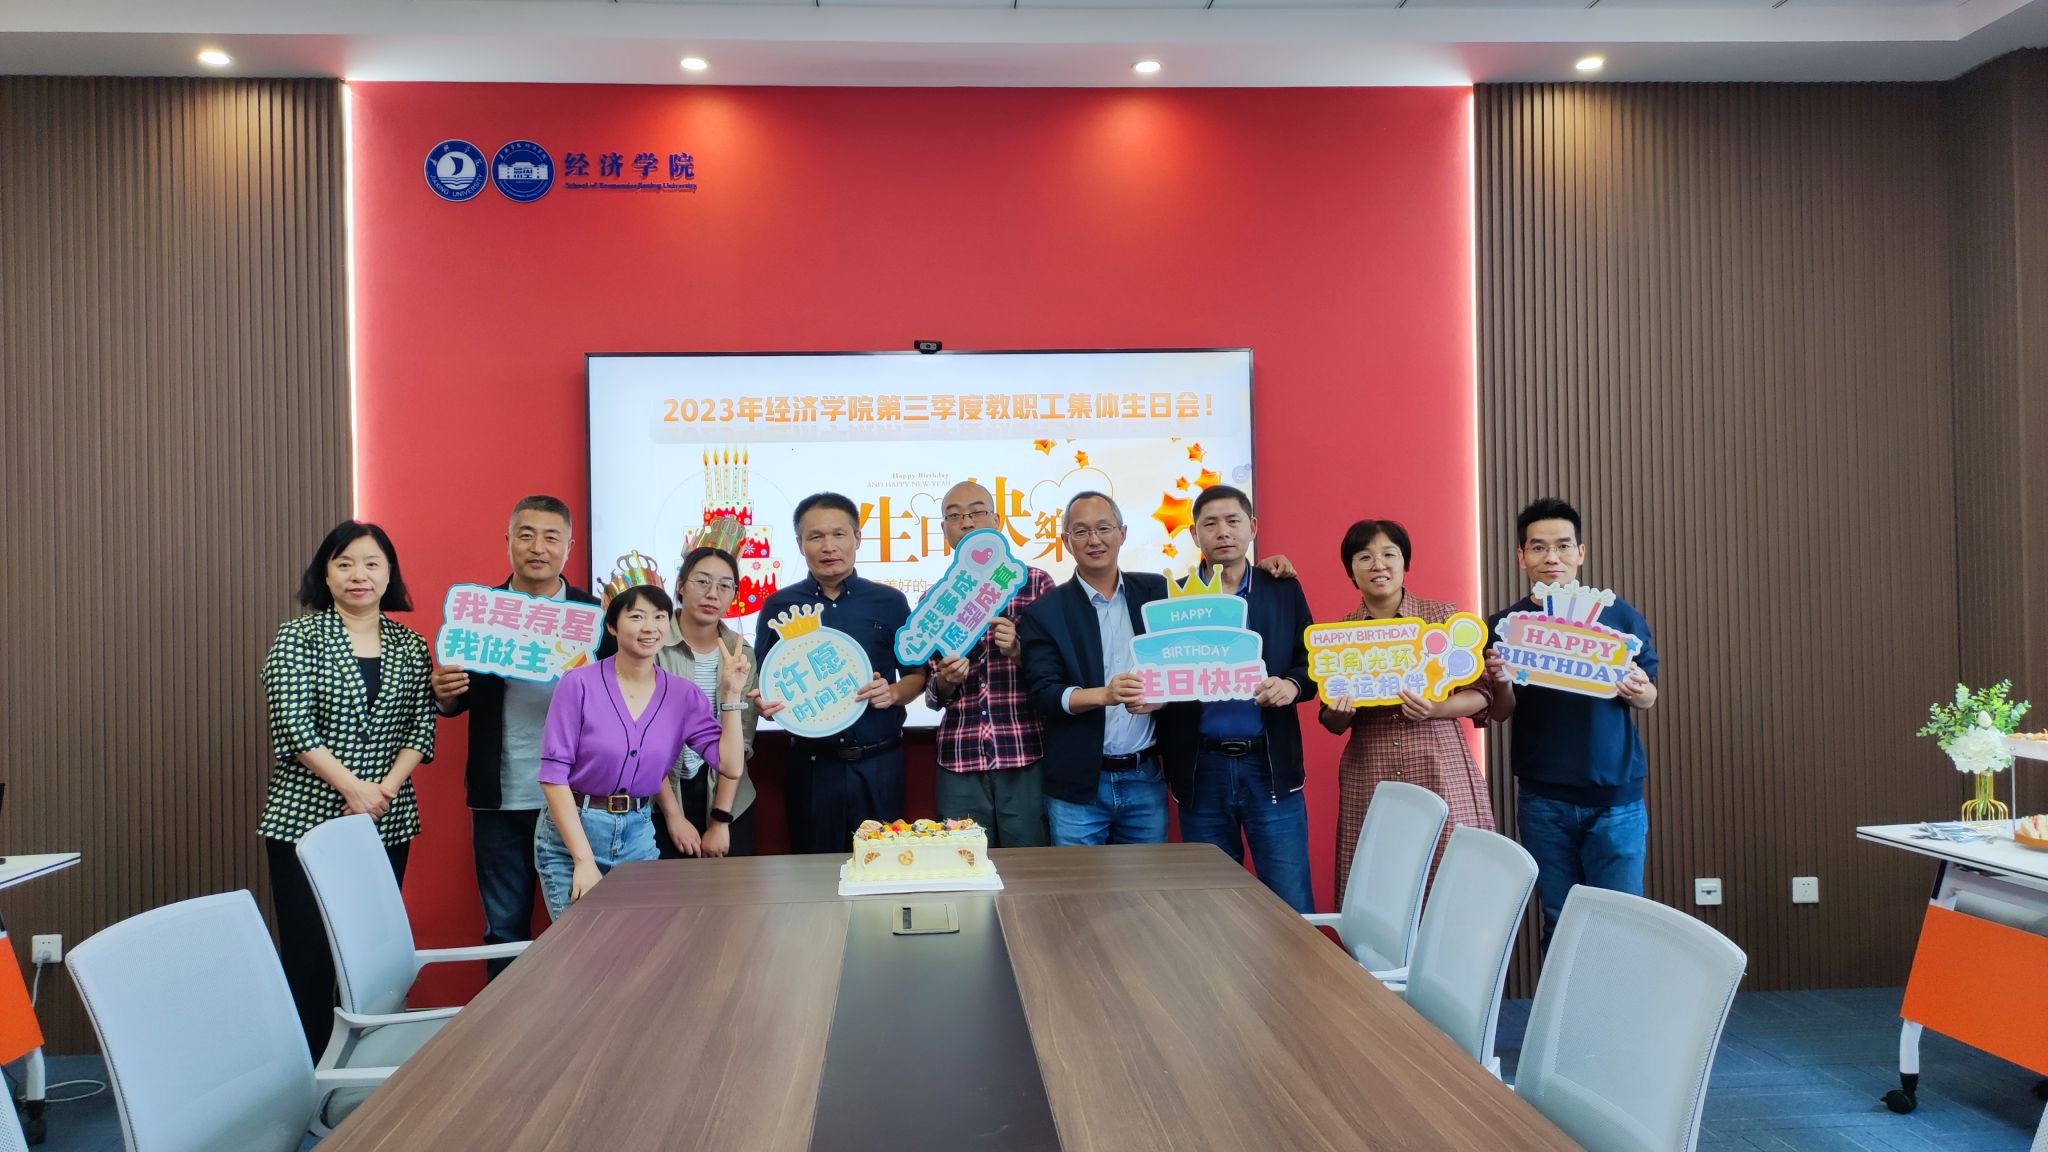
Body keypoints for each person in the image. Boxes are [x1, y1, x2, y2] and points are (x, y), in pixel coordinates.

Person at [259, 521, 436, 1055]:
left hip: (387, 818)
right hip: (305, 819)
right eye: (345, 564)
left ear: (389, 574)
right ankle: (311, 1071)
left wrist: (382, 791)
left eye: (372, 564)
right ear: (326, 574)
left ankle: (366, 1066)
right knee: (309, 951)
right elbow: (293, 726)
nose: (359, 575)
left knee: (370, 951)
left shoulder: (411, 644)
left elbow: (421, 729)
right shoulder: (298, 637)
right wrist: (353, 788)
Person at [429, 495, 612, 980]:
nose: (538, 547)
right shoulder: (480, 614)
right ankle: (505, 1027)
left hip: (579, 799)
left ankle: (580, 1021)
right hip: (502, 798)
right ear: (508, 541)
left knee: (586, 927)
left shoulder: (597, 617)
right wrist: (443, 693)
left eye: (551, 537)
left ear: (570, 547)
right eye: (526, 535)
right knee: (504, 929)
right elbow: (455, 700)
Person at [1478, 497, 1659, 947]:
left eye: (1562, 546)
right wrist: (1501, 681)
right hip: (1544, 799)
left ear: (1581, 552)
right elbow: (1499, 711)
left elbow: (1649, 696)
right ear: (1521, 556)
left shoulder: (1619, 618)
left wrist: (1639, 690)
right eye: (1538, 547)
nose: (1551, 557)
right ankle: (1565, 1000)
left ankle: (1615, 999)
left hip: (1615, 798)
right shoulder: (1504, 626)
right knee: (1560, 922)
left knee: (1620, 924)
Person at [535, 584, 748, 917]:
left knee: (641, 940)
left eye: (659, 617)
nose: (650, 627)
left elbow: (731, 766)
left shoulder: (684, 695)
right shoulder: (578, 684)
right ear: (612, 626)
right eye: (636, 617)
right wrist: (583, 860)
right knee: (580, 943)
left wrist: (732, 695)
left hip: (638, 833)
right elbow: (553, 777)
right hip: (574, 835)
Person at [1319, 519, 1495, 907]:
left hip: (1438, 762)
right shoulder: (1340, 635)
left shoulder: (1441, 618)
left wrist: (1437, 708)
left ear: (1405, 562)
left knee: (1453, 881)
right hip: (1371, 768)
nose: (1378, 564)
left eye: (1389, 554)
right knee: (1379, 885)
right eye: (1364, 557)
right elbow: (1330, 721)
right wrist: (1340, 711)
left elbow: (1483, 693)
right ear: (1351, 570)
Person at [1162, 485, 1318, 912]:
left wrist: (1293, 686)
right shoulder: (1174, 599)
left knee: (1290, 902)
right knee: (1213, 906)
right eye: (1210, 524)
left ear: (1252, 527)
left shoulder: (1281, 589)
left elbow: (1311, 661)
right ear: (1194, 535)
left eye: (1233, 521)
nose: (1223, 532)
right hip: (1202, 768)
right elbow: (1158, 672)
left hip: (1269, 766)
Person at [752, 493, 926, 854]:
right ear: (800, 544)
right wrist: (764, 704)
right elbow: (763, 681)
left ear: (857, 538)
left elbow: (917, 675)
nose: (828, 546)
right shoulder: (779, 606)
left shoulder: (890, 602)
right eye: (816, 537)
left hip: (880, 763)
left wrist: (894, 693)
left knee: (883, 867)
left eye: (839, 534)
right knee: (814, 870)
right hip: (812, 767)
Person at [1019, 492, 1179, 845]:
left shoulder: (1159, 593)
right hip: (1077, 784)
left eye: (1104, 528)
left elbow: (1209, 604)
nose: (1094, 540)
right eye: (1081, 531)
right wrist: (1104, 695)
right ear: (1066, 541)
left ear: (1122, 533)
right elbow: (1044, 694)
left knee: (1146, 880)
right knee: (1077, 881)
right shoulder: (1045, 612)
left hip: (1144, 776)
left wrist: (1163, 699)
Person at [923, 481, 1058, 848]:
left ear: (997, 521)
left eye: (977, 512)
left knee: (1028, 864)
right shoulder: (936, 600)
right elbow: (932, 697)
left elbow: (1057, 675)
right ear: (944, 530)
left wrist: (1018, 652)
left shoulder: (1034, 584)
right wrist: (947, 681)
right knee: (961, 862)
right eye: (954, 516)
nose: (966, 522)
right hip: (959, 753)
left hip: (1023, 749)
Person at [654, 546, 760, 858]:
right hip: (660, 797)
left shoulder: (742, 653)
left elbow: (741, 742)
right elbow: (645, 741)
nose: (713, 593)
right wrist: (673, 816)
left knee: (731, 890)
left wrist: (720, 819)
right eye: (702, 581)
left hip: (728, 798)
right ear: (680, 586)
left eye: (725, 586)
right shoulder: (652, 644)